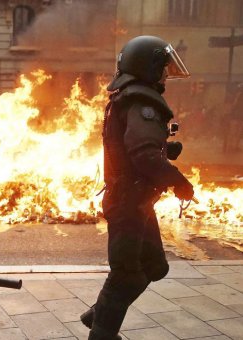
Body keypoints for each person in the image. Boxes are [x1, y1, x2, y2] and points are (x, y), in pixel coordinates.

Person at [80, 36, 195, 340]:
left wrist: (165, 149)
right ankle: (102, 331)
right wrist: (178, 181)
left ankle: (99, 314)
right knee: (127, 276)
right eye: (163, 67)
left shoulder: (131, 98)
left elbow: (132, 146)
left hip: (137, 202)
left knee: (154, 266)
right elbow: (142, 154)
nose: (166, 74)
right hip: (128, 204)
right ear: (148, 66)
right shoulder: (141, 102)